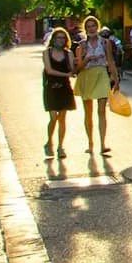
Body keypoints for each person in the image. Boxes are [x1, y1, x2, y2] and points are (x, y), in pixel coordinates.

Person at [76, 15, 121, 155]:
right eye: (88, 26)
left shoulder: (105, 43)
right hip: (86, 75)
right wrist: (86, 57)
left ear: (98, 27)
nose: (91, 29)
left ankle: (102, 144)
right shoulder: (82, 45)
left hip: (101, 74)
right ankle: (90, 143)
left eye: (93, 26)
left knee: (102, 110)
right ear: (86, 29)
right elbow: (78, 67)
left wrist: (116, 78)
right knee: (88, 112)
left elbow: (110, 61)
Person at [42, 28, 77, 162]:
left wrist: (77, 62)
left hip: (64, 87)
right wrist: (66, 74)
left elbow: (72, 70)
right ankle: (49, 141)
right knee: (53, 117)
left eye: (63, 38)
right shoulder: (47, 53)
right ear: (53, 39)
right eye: (58, 38)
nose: (60, 40)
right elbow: (49, 70)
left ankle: (60, 146)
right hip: (51, 87)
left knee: (62, 117)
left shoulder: (68, 53)